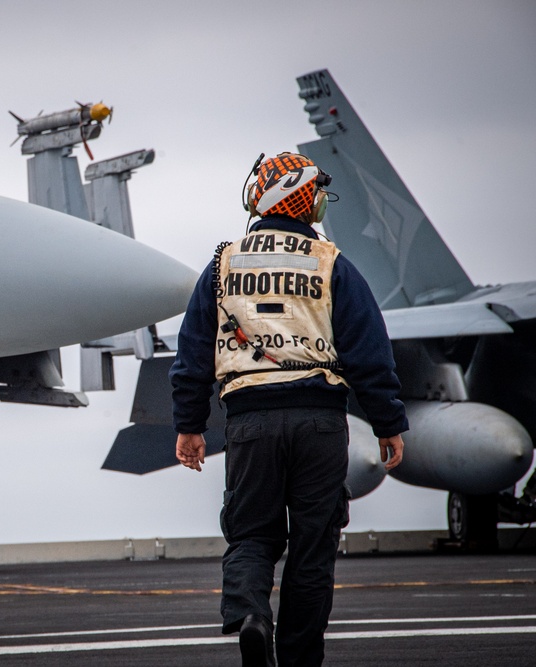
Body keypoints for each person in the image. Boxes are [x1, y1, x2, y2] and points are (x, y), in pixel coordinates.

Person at [169, 152, 407, 667]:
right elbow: (370, 352)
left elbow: (191, 354)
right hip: (320, 423)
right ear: (303, 200)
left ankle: (253, 615)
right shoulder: (331, 263)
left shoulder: (224, 264)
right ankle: (299, 660)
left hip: (250, 423)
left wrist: (189, 426)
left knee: (252, 533)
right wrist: (388, 423)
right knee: (313, 548)